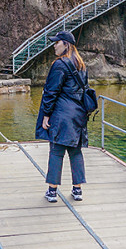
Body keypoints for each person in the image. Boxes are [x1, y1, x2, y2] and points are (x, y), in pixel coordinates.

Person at [36, 30, 89, 203]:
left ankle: (52, 191)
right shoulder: (81, 64)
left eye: (57, 42)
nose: (54, 45)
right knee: (75, 152)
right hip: (78, 114)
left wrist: (46, 115)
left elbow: (51, 92)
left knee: (56, 152)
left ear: (66, 44)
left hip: (61, 114)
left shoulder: (59, 64)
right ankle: (77, 190)